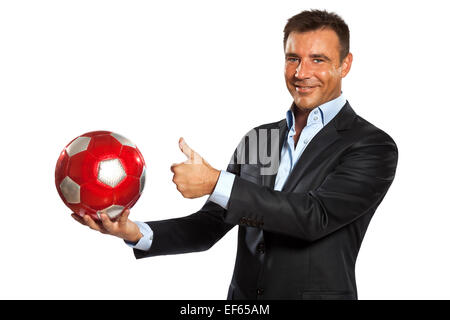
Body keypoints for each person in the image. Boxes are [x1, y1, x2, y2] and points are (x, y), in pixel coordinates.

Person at [72, 9, 398, 300]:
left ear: (345, 64)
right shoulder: (262, 139)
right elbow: (210, 226)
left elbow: (314, 217)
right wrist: (135, 232)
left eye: (318, 59)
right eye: (292, 58)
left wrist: (216, 182)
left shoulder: (370, 145)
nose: (301, 72)